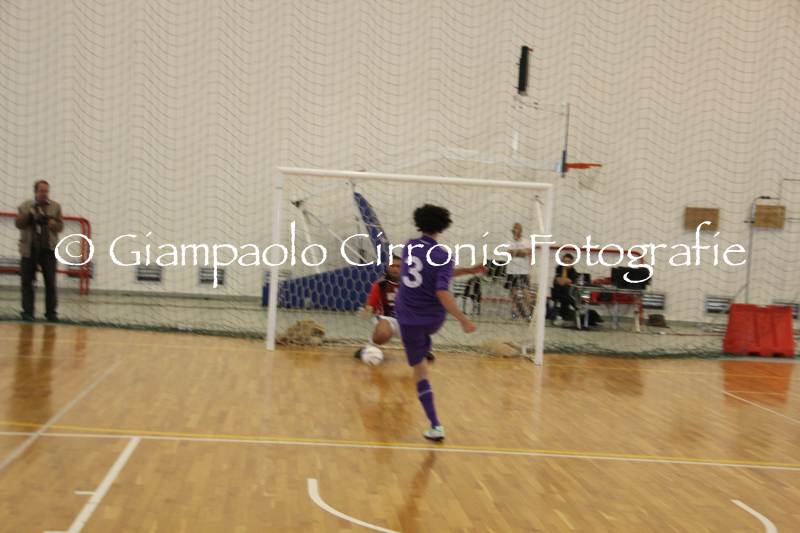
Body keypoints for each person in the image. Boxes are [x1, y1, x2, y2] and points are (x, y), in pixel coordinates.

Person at [394, 204, 488, 441]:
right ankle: (425, 346)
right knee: (424, 342)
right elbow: (441, 282)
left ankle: (435, 425)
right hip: (434, 319)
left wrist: (464, 319)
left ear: (419, 223)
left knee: (420, 371)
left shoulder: (409, 246)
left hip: (409, 318)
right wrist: (469, 272)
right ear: (443, 227)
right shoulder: (444, 256)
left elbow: (439, 286)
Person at [355, 255, 436, 361]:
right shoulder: (380, 283)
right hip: (385, 317)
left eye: (398, 266)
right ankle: (368, 347)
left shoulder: (410, 283)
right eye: (392, 266)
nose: (395, 269)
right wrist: (368, 309)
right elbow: (372, 301)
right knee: (383, 333)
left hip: (405, 320)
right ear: (387, 266)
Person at [16, 180, 63, 322]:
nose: (44, 194)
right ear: (35, 192)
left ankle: (51, 313)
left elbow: (60, 227)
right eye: (42, 191)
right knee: (27, 282)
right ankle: (27, 312)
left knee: (50, 282)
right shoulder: (25, 206)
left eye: (46, 191)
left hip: (48, 249)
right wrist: (30, 214)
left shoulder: (55, 206)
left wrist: (52, 223)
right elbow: (19, 224)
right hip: (29, 250)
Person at [503, 223, 532, 319]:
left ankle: (529, 312)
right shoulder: (508, 241)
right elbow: (510, 253)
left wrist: (515, 252)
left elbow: (526, 253)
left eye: (517, 229)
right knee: (513, 291)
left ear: (521, 230)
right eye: (514, 229)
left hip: (524, 271)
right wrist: (521, 252)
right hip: (512, 270)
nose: (515, 231)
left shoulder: (527, 242)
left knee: (525, 291)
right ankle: (514, 312)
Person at [551, 253, 580, 327]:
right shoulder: (559, 268)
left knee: (567, 293)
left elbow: (568, 282)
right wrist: (564, 269)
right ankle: (562, 316)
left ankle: (561, 317)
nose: (566, 263)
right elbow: (562, 282)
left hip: (569, 294)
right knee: (565, 291)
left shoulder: (573, 272)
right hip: (557, 292)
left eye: (568, 262)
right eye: (564, 261)